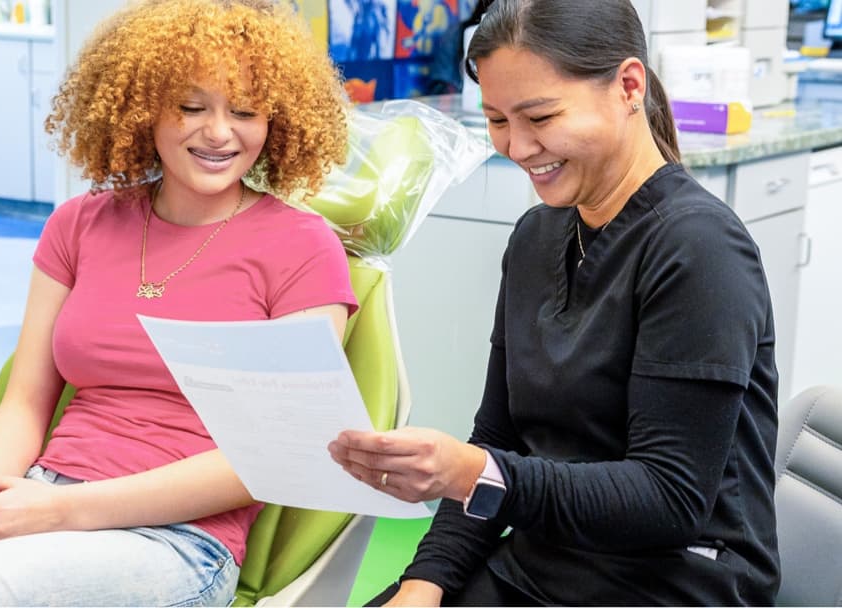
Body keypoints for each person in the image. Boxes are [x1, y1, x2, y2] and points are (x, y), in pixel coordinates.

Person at [0, 0, 355, 605]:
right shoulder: (79, 225)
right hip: (34, 492)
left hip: (175, 542)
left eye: (245, 111)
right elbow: (25, 403)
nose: (219, 133)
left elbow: (275, 456)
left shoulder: (302, 246)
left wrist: (59, 510)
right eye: (191, 107)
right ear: (140, 107)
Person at [328, 0, 780, 605]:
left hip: (674, 580)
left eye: (539, 116)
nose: (516, 146)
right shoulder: (538, 237)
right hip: (550, 560)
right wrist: (424, 582)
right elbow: (498, 438)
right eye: (495, 120)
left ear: (627, 86)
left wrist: (473, 473)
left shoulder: (699, 248)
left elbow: (669, 498)